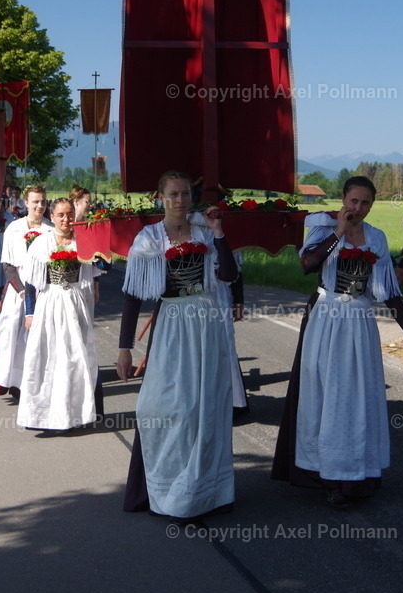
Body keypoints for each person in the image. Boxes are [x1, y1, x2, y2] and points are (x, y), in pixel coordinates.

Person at [271, 175, 403, 509]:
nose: (358, 208)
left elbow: (387, 290)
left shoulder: (377, 238)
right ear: (343, 199)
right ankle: (326, 475)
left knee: (358, 396)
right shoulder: (321, 227)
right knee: (326, 394)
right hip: (326, 320)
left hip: (360, 325)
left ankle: (356, 472)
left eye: (365, 203)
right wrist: (338, 230)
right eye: (353, 201)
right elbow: (307, 265)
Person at [116, 171, 238, 522]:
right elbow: (132, 296)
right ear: (160, 197)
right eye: (172, 195)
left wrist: (219, 233)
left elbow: (228, 274)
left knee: (206, 404)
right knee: (167, 405)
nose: (180, 201)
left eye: (185, 194)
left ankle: (206, 490)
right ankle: (166, 486)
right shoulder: (150, 238)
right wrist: (125, 348)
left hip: (206, 321)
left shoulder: (204, 231)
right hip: (172, 323)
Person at [14, 198, 104, 430]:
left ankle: (77, 413)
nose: (66, 219)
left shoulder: (82, 241)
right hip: (50, 303)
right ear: (51, 218)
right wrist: (29, 313)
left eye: (70, 214)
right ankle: (44, 415)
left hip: (75, 303)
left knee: (76, 355)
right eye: (61, 215)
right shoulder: (41, 243)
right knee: (49, 355)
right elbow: (31, 283)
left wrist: (101, 244)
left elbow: (103, 266)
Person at [0, 186, 53, 397]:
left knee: (37, 339)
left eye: (42, 202)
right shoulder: (14, 229)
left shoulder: (51, 230)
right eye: (35, 202)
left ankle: (32, 383)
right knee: (12, 336)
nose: (39, 206)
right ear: (26, 203)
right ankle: (10, 380)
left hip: (43, 290)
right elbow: (8, 265)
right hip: (18, 291)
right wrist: (22, 291)